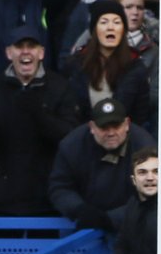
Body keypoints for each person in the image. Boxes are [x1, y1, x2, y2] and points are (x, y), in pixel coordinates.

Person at [0, 25, 81, 217]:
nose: (25, 51)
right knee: (0, 247)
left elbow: (70, 136)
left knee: (50, 247)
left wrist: (38, 114)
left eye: (31, 46)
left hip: (46, 194)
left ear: (41, 53)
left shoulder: (60, 86)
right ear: (8, 53)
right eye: (19, 46)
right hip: (2, 194)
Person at [48, 96, 155, 229]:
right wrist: (79, 209)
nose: (111, 133)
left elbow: (150, 194)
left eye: (116, 126)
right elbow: (60, 187)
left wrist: (111, 219)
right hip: (83, 226)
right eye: (104, 127)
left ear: (127, 124)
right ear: (92, 127)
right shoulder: (71, 145)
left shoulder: (145, 147)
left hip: (133, 227)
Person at [111, 146, 158, 254]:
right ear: (133, 180)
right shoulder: (132, 206)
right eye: (142, 172)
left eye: (156, 171)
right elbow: (121, 246)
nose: (150, 177)